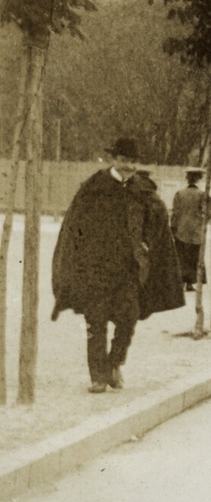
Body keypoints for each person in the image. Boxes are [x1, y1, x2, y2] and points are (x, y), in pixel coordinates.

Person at [51, 140, 185, 393]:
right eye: (124, 160)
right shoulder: (93, 188)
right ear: (114, 160)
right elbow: (74, 226)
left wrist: (146, 243)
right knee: (96, 323)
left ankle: (115, 363)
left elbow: (158, 220)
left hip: (129, 271)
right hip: (96, 270)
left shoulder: (143, 191)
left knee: (128, 319)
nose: (129, 166)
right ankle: (98, 377)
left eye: (133, 161)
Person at [170, 168, 207, 292]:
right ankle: (190, 283)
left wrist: (173, 227)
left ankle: (179, 282)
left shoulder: (179, 193)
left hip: (181, 229)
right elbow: (206, 213)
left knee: (181, 256)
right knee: (194, 256)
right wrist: (202, 223)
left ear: (188, 179)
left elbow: (175, 213)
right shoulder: (202, 194)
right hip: (196, 231)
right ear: (199, 179)